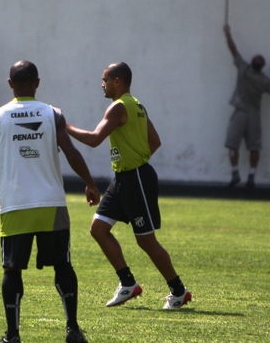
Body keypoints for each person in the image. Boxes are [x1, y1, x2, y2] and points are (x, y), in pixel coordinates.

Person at [0, 60, 100, 343]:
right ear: (37, 83)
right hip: (51, 204)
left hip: (15, 205)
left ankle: (13, 335)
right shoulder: (52, 114)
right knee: (63, 265)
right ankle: (72, 328)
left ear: (10, 84)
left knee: (12, 270)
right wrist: (90, 182)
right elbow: (70, 152)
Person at [66, 62, 191, 309]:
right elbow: (154, 141)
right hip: (123, 178)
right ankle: (128, 284)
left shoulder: (119, 107)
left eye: (105, 79)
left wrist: (64, 126)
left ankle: (179, 291)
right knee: (98, 229)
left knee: (146, 241)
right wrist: (136, 155)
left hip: (136, 179)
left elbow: (93, 140)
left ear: (118, 81)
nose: (102, 84)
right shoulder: (137, 106)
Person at [223, 25, 270, 189]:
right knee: (254, 147)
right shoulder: (264, 81)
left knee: (232, 144)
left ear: (253, 63)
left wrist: (228, 33)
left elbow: (233, 49)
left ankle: (235, 172)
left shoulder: (244, 69)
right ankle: (251, 176)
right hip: (254, 115)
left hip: (240, 112)